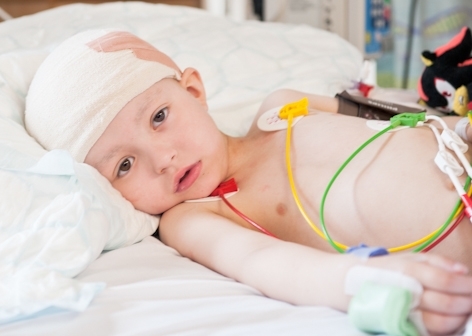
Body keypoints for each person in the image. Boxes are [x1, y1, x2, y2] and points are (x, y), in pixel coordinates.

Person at [25, 29, 472, 335]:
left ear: (194, 91)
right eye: (123, 165)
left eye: (159, 117)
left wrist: (458, 127)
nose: (162, 160)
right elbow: (265, 262)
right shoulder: (195, 216)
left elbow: (405, 118)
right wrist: (361, 280)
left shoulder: (280, 108)